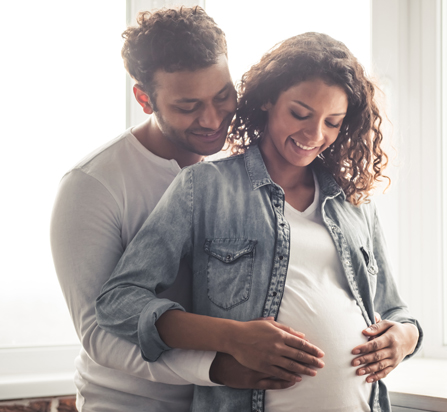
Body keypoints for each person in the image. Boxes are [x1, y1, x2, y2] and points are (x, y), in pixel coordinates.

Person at [96, 32, 423, 412]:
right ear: (268, 99)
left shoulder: (353, 203)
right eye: (300, 114)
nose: (314, 135)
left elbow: (395, 310)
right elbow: (118, 302)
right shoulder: (203, 188)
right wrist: (233, 337)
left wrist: (405, 337)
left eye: (332, 122)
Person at [50, 7, 322, 412]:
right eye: (187, 106)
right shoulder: (91, 185)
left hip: (218, 401)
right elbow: (99, 334)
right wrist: (219, 366)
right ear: (144, 98)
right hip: (129, 404)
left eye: (222, 96)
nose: (212, 120)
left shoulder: (243, 170)